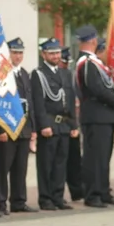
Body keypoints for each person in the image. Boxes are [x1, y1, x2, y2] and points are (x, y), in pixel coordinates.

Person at [75, 25, 114, 209]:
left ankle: (103, 191)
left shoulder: (95, 63)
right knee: (94, 158)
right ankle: (93, 194)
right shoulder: (87, 63)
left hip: (104, 116)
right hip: (95, 116)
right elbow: (96, 89)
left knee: (104, 158)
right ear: (94, 41)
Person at [0, 37, 36, 216]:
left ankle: (19, 200)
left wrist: (32, 129)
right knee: (3, 167)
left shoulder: (23, 73)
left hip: (23, 128)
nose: (18, 56)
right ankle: (0, 202)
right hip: (6, 129)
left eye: (20, 53)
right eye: (15, 52)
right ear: (7, 54)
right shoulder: (1, 72)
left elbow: (29, 102)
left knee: (20, 168)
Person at [32, 38, 76, 210]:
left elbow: (70, 101)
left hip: (63, 124)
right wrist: (43, 125)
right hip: (49, 123)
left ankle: (58, 196)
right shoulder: (39, 74)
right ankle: (45, 198)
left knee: (60, 163)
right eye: (51, 53)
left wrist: (73, 125)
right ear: (44, 54)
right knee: (46, 164)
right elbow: (38, 102)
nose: (56, 56)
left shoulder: (65, 73)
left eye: (57, 53)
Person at [61, 47, 85, 201]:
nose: (66, 65)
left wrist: (74, 125)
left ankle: (77, 191)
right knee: (59, 162)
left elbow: (73, 102)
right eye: (64, 62)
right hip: (59, 123)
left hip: (72, 122)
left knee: (74, 160)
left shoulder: (70, 75)